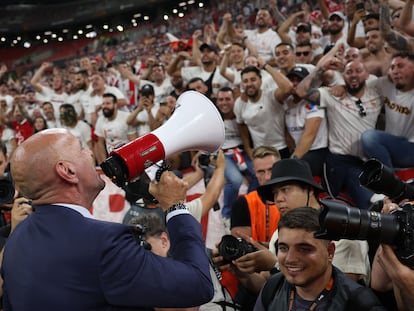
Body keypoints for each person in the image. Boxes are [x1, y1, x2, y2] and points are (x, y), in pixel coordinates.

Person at [2, 128, 214, 310]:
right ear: (67, 171)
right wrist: (175, 206)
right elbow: (198, 284)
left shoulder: (15, 241)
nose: (90, 154)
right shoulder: (104, 243)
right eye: (81, 149)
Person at [253, 207, 385, 311]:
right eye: (284, 248)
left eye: (304, 249)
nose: (290, 259)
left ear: (330, 251)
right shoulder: (273, 287)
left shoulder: (360, 303)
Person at [296, 58, 383, 209]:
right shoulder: (332, 94)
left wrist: (345, 68)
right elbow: (301, 91)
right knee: (331, 204)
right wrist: (321, 68)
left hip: (367, 160)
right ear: (343, 76)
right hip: (339, 160)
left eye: (358, 71)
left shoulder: (376, 91)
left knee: (371, 198)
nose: (353, 75)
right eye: (349, 72)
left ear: (367, 75)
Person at [361, 52, 414, 171]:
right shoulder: (385, 84)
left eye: (400, 66)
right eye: (392, 67)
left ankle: (389, 180)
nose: (395, 71)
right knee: (367, 139)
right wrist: (342, 88)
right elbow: (359, 81)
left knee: (369, 137)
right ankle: (391, 177)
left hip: (411, 148)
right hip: (393, 145)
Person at [216, 87, 258, 223]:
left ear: (234, 100)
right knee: (235, 180)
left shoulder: (242, 115)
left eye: (228, 99)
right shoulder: (213, 119)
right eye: (221, 99)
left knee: (258, 175)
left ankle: (247, 207)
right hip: (225, 155)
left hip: (243, 152)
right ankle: (227, 215)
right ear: (216, 102)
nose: (224, 103)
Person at [231, 146, 280, 244]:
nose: (267, 177)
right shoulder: (243, 204)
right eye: (261, 172)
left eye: (271, 170)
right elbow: (241, 247)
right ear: (254, 173)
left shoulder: (294, 201)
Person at [94, 93, 137, 164]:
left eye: (108, 103)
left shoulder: (126, 117)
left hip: (127, 158)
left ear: (115, 105)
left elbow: (133, 141)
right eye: (103, 104)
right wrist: (104, 163)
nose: (105, 106)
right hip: (111, 159)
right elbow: (100, 143)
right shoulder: (100, 120)